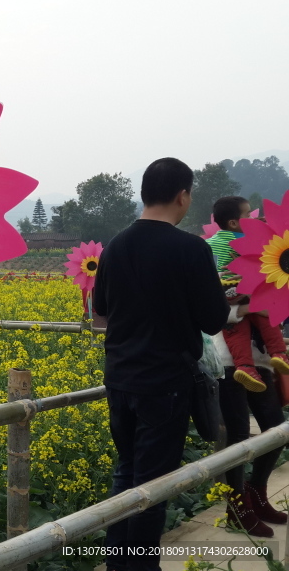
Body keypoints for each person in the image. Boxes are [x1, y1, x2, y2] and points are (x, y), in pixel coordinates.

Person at [93, 157, 230, 571]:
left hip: (119, 378)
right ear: (182, 195)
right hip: (165, 383)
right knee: (153, 484)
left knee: (127, 471)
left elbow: (101, 309)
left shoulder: (115, 245)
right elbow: (213, 318)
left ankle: (119, 562)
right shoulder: (191, 248)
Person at [205, 195, 289, 391]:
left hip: (223, 290)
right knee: (265, 316)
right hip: (244, 284)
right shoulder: (245, 238)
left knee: (235, 329)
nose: (252, 217)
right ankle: (278, 353)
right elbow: (266, 247)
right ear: (234, 222)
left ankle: (244, 366)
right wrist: (264, 227)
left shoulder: (212, 242)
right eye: (248, 214)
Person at [213, 320, 288, 537]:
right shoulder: (227, 284)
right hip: (229, 362)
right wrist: (246, 309)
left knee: (276, 432)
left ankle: (256, 492)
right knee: (238, 435)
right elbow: (218, 311)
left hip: (261, 362)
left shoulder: (270, 283)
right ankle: (237, 506)